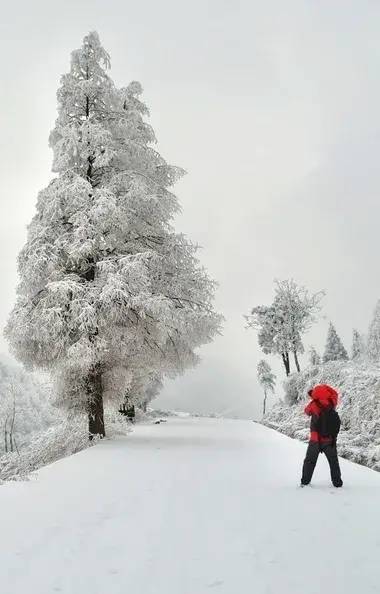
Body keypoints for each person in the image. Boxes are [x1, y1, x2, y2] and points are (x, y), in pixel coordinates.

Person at [300, 384, 343, 488]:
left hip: (315, 439)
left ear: (315, 394)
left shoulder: (313, 404)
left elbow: (306, 411)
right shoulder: (332, 402)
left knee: (310, 461)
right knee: (333, 461)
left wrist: (313, 400)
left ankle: (305, 482)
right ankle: (337, 483)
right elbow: (334, 394)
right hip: (329, 439)